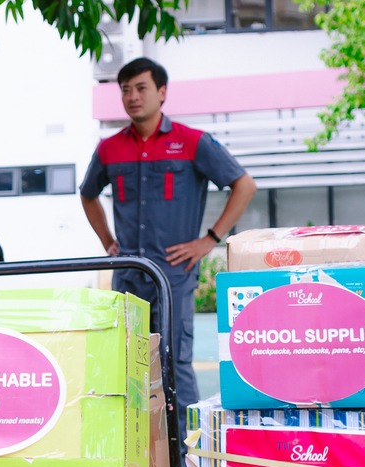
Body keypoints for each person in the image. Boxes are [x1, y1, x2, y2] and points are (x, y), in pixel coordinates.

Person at [80, 57, 256, 410]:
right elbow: (87, 194)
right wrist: (107, 243)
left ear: (162, 93)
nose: (132, 97)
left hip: (174, 274)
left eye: (141, 88)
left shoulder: (192, 142)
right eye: (125, 90)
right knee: (129, 364)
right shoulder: (109, 149)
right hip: (129, 275)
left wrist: (209, 240)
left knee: (174, 362)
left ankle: (185, 457)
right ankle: (143, 454)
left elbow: (244, 186)